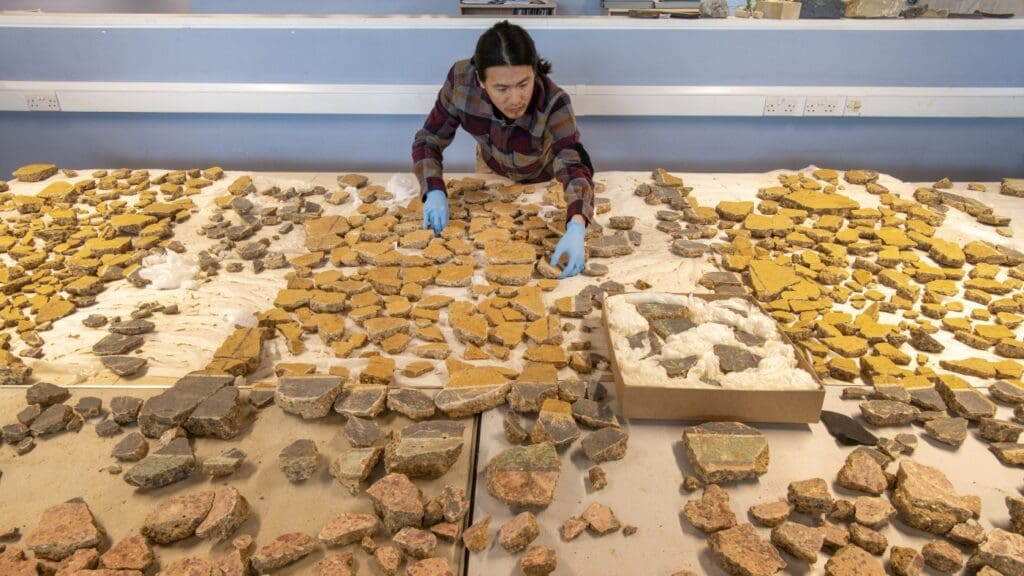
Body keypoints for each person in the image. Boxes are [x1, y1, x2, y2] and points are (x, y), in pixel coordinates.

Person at [412, 21, 596, 279]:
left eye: (524, 84)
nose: (516, 99)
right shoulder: (461, 82)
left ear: (534, 71)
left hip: (545, 177)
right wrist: (432, 189)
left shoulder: (555, 103)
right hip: (492, 167)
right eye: (502, 89)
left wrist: (576, 225)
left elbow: (573, 168)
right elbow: (429, 139)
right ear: (481, 80)